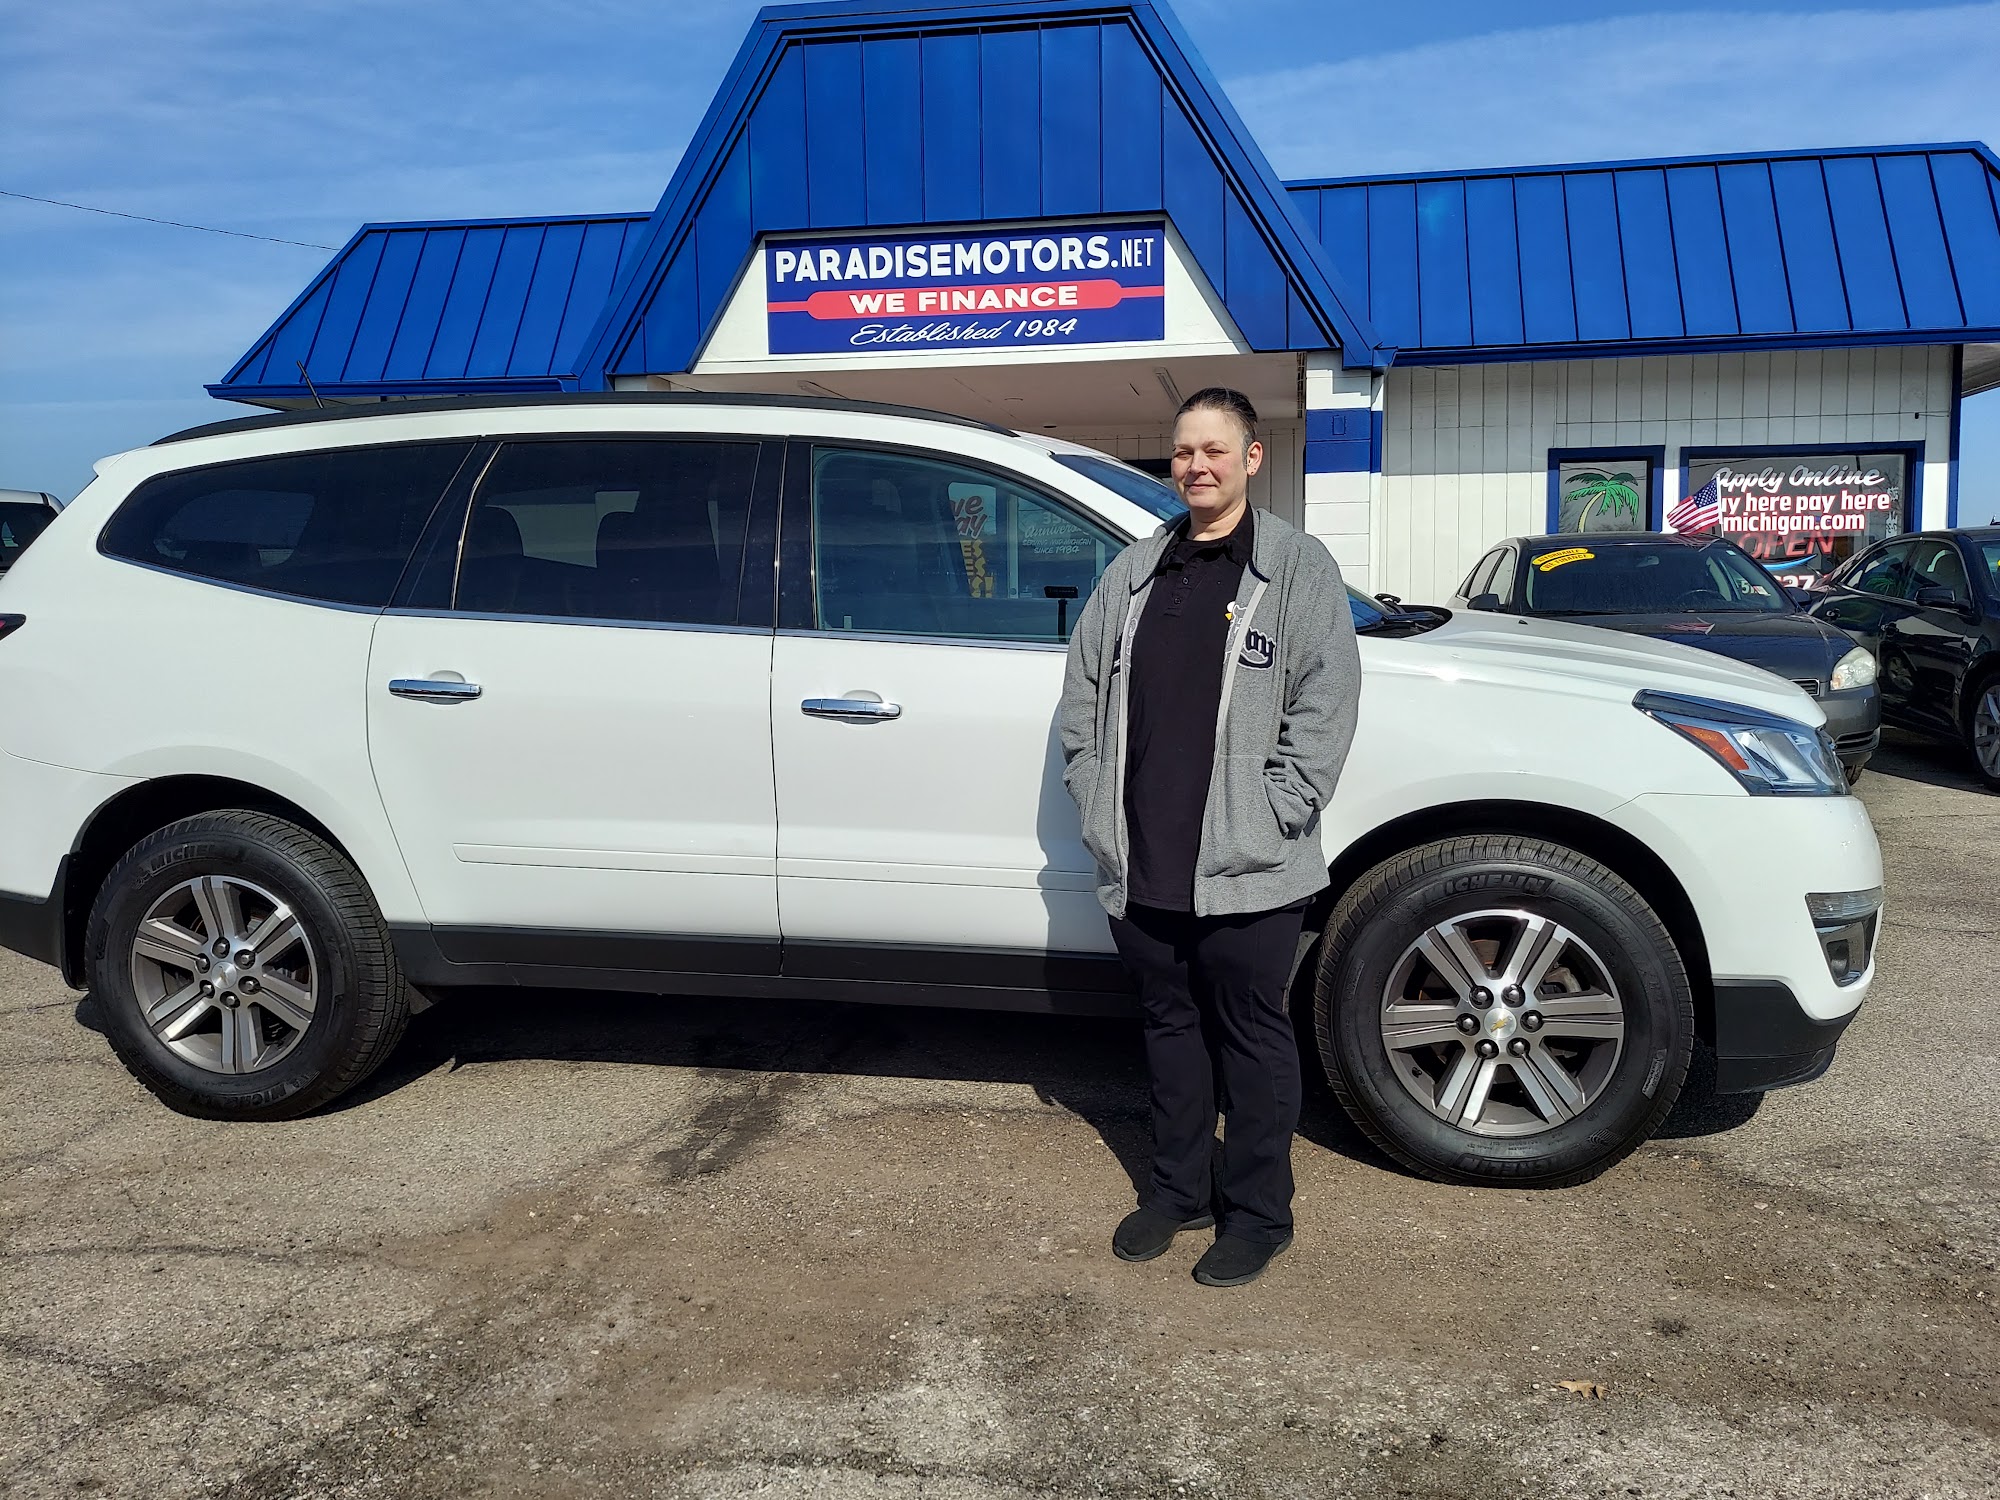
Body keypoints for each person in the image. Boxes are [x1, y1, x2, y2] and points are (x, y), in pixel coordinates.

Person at [1057, 387, 1361, 1287]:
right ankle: (1178, 1191)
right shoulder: (1137, 569)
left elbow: (1327, 698)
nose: (1196, 465)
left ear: (1251, 458)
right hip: (1144, 855)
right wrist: (1093, 796)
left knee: (1252, 1039)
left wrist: (1280, 806)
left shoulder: (1296, 568)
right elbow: (1083, 692)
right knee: (1169, 1029)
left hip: (1249, 863)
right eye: (1185, 451)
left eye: (1215, 450)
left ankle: (1260, 1214)